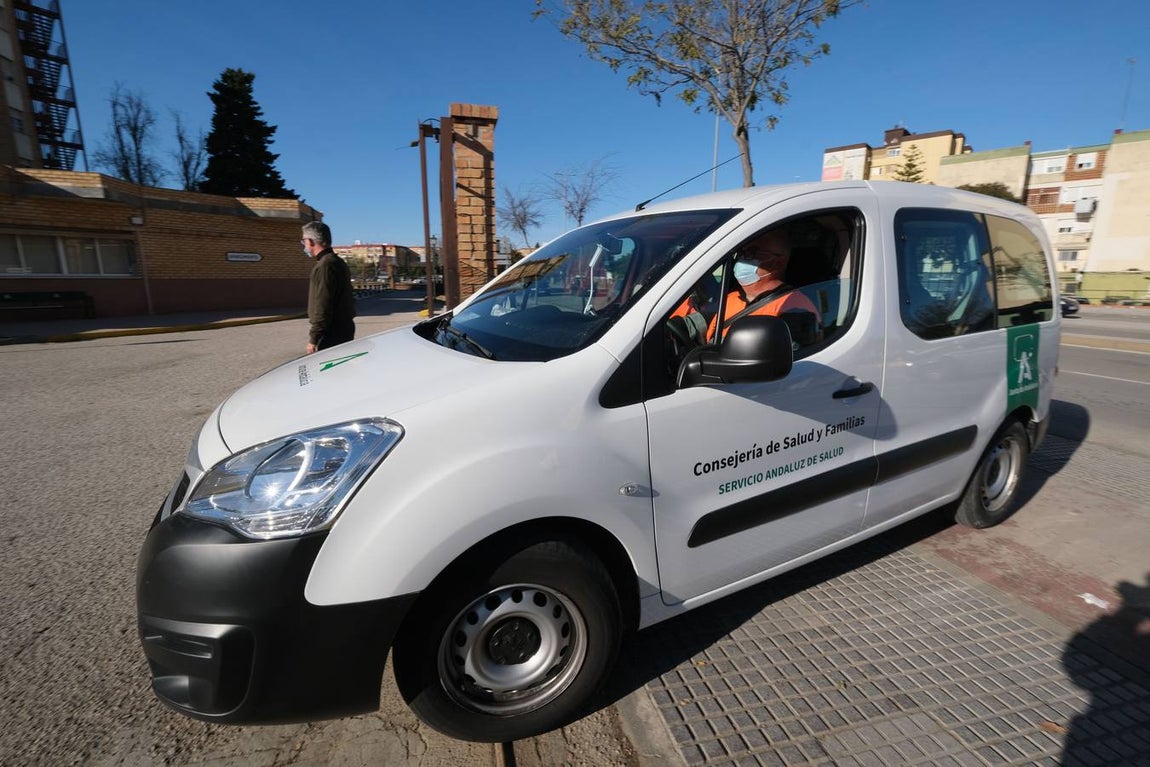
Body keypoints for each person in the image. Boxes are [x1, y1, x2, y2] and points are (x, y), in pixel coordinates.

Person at [706, 228, 821, 342]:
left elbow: (787, 356)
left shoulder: (794, 307)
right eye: (742, 253)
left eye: (752, 252)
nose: (742, 259)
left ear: (778, 262)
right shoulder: (731, 297)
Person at [302, 221, 356, 354]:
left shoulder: (325, 266)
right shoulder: (336, 261)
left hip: (331, 332)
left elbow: (323, 304)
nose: (304, 245)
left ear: (311, 241)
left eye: (303, 241)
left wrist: (314, 338)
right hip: (342, 328)